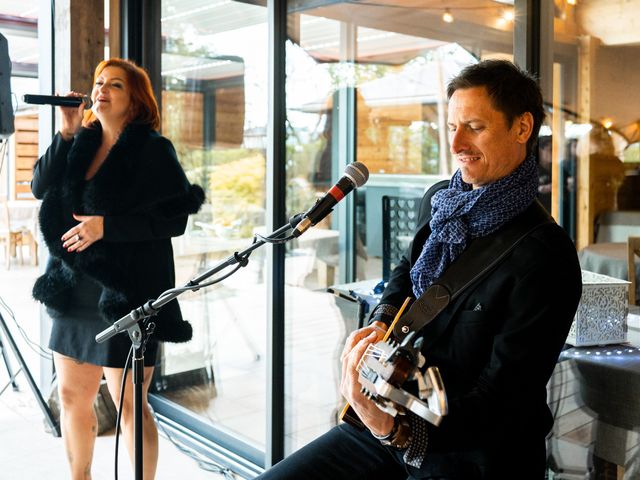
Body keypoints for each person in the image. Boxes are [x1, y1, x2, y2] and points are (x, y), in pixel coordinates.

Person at [255, 60, 582, 479]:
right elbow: (405, 273)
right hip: (390, 418)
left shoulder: (545, 255)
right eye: (451, 127)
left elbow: (502, 400)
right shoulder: (439, 200)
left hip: (473, 457)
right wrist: (382, 322)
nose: (457, 143)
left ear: (522, 128)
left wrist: (398, 432)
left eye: (475, 127)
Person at [31, 58, 204, 480]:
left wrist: (106, 227)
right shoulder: (79, 140)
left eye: (116, 85)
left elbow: (173, 220)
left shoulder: (153, 151)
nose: (102, 89)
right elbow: (39, 185)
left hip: (127, 293)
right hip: (72, 288)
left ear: (136, 100)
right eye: (99, 82)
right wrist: (67, 130)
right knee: (73, 397)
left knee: (130, 404)